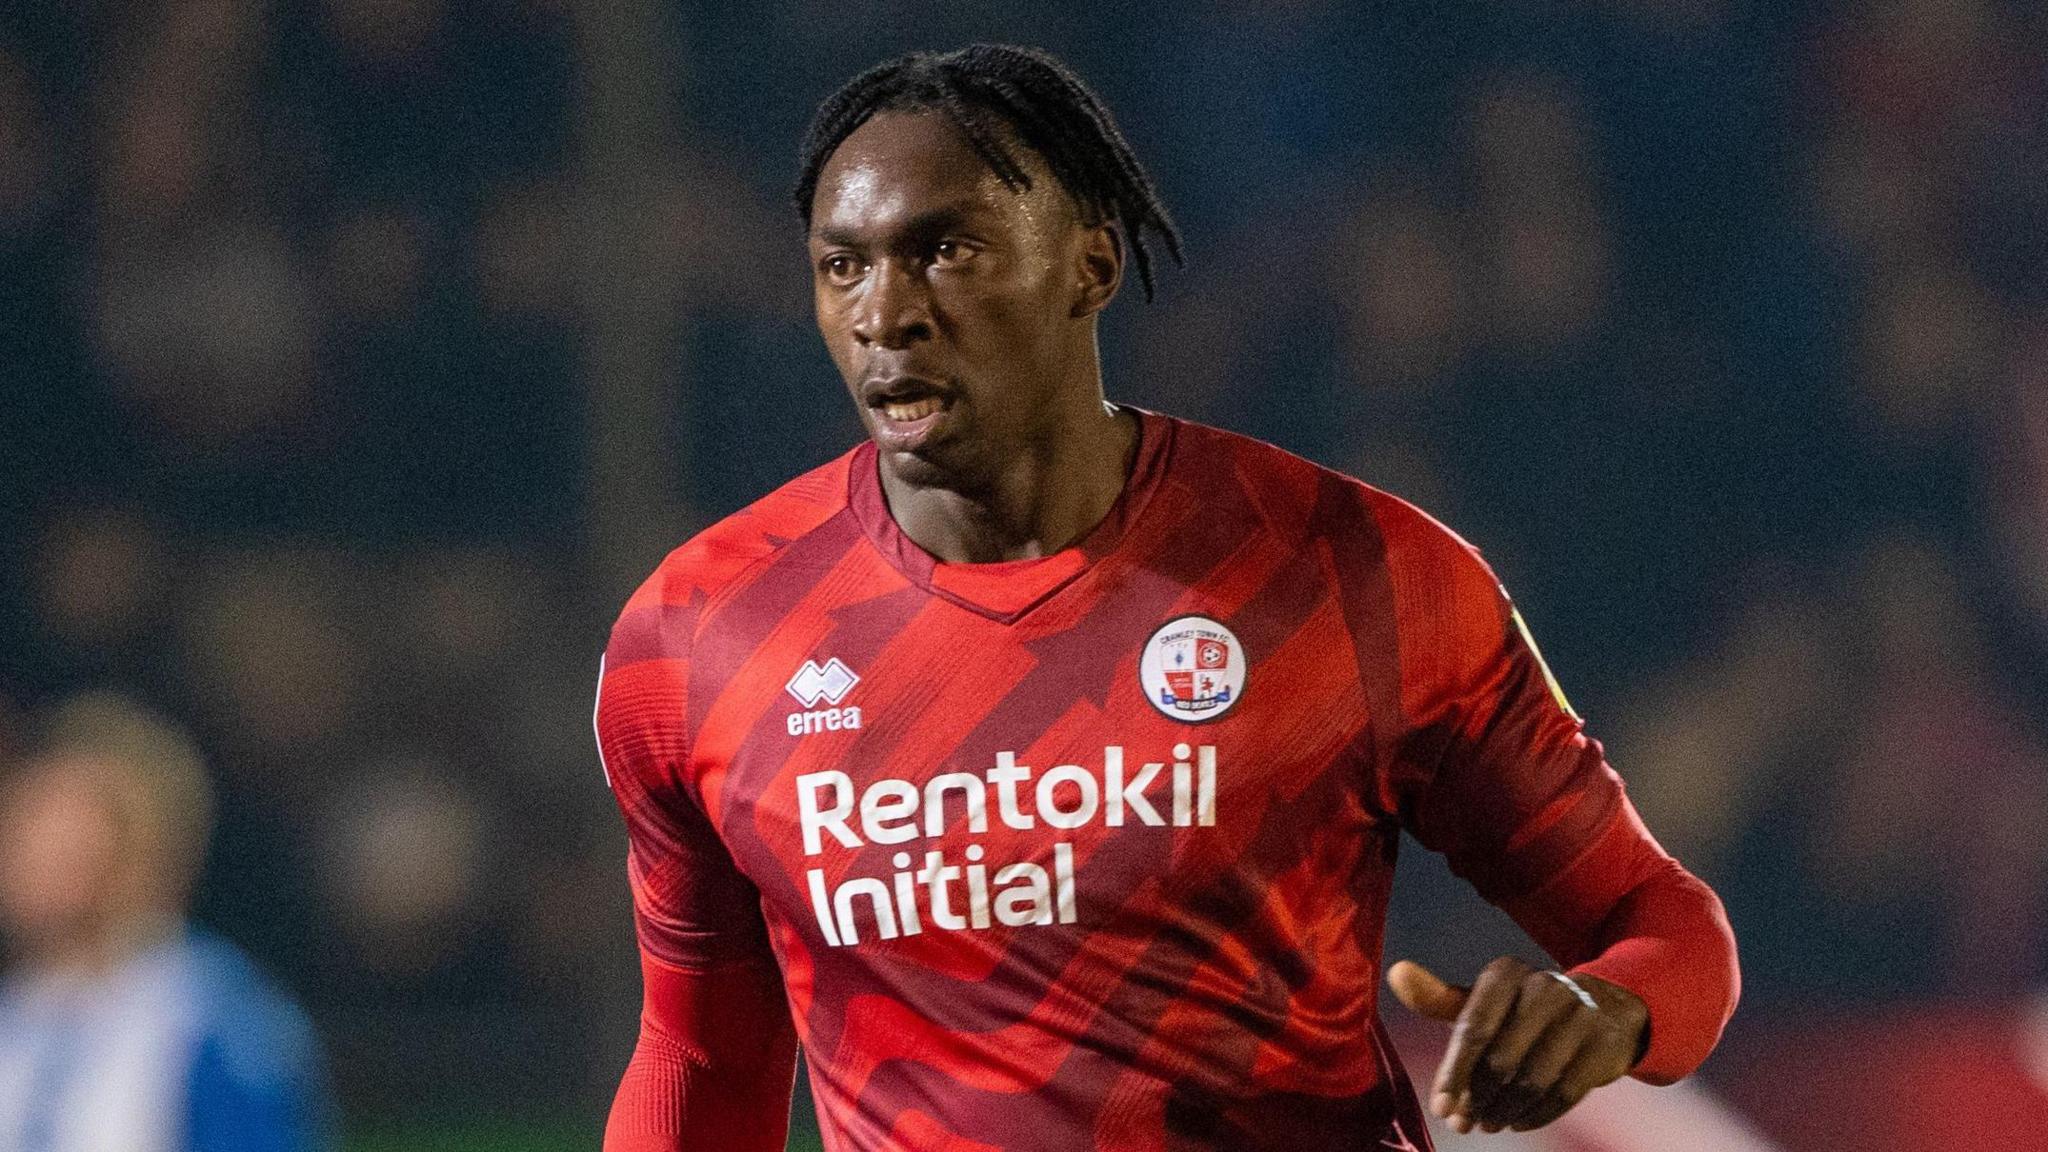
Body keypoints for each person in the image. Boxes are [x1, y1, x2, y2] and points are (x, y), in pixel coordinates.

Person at [595, 44, 1738, 1152]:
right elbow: (703, 1063)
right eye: (842, 265)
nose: (884, 311)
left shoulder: (1356, 573)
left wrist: (1603, 1014)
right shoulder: (698, 640)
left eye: (945, 252)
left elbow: (1664, 929)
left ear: (1090, 266)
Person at [0, 692, 332, 1152]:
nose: (31, 853)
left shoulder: (208, 1018)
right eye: (24, 827)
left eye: (65, 835)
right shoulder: (20, 1011)